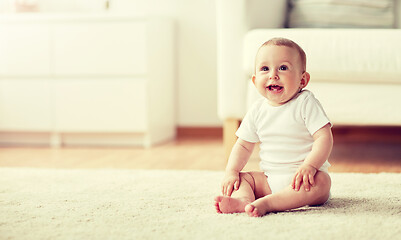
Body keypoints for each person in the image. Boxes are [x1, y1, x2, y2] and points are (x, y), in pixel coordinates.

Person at [214, 37, 333, 217]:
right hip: (269, 181)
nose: (273, 75)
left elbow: (324, 137)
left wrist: (310, 166)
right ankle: (244, 201)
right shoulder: (257, 110)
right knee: (243, 178)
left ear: (303, 80)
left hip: (304, 181)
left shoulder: (305, 102)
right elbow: (243, 145)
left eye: (283, 68)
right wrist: (231, 171)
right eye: (265, 69)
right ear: (255, 81)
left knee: (323, 181)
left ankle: (269, 203)